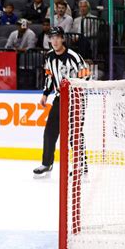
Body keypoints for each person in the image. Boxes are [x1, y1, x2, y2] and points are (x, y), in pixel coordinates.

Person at [33, 26, 91, 178]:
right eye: (52, 37)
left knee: (74, 133)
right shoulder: (49, 56)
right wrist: (45, 93)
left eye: (58, 37)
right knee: (50, 131)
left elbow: (86, 75)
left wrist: (74, 84)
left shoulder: (73, 56)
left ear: (63, 39)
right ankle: (47, 163)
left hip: (76, 98)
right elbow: (49, 76)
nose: (55, 40)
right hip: (60, 98)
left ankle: (81, 166)